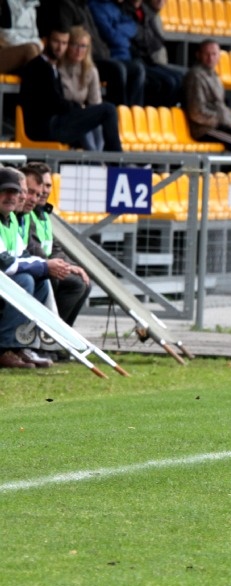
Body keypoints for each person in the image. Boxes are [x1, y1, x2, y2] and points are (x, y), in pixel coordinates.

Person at [0, 166, 68, 369]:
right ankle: (5, 348)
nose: (12, 197)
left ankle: (25, 345)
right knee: (26, 279)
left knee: (41, 280)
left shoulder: (10, 218)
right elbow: (7, 264)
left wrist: (48, 267)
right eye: (5, 192)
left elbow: (24, 255)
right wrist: (45, 265)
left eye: (15, 192)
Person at [18, 27, 123, 151]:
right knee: (108, 110)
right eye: (56, 42)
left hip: (56, 122)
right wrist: (78, 107)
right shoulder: (39, 66)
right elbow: (53, 102)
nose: (60, 47)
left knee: (101, 113)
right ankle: (116, 161)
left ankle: (101, 160)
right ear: (45, 41)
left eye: (64, 43)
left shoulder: (52, 67)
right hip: (47, 127)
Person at [19, 162, 91, 327]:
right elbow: (33, 248)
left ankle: (60, 339)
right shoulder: (25, 213)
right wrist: (55, 266)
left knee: (83, 282)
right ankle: (48, 335)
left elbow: (55, 248)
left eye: (48, 186)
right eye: (40, 187)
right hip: (33, 265)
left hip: (38, 263)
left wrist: (67, 265)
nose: (44, 191)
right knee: (60, 279)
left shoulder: (44, 214)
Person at [36, 0, 144, 106]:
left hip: (101, 54)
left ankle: (132, 115)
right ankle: (119, 113)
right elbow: (65, 37)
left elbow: (97, 35)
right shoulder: (65, 6)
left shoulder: (84, 5)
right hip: (86, 56)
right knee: (118, 69)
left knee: (137, 69)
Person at [122, 0, 183, 107]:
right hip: (136, 59)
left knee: (180, 78)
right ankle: (153, 114)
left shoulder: (146, 11)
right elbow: (135, 36)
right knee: (169, 82)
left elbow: (156, 38)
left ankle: (164, 116)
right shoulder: (123, 10)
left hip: (149, 58)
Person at [58, 26, 104, 151]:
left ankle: (98, 157)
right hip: (63, 119)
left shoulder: (91, 70)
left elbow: (96, 104)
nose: (79, 50)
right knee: (83, 122)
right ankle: (96, 160)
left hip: (81, 115)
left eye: (83, 46)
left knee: (97, 119)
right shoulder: (57, 68)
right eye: (75, 45)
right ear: (68, 46)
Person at [0, 0, 41, 74]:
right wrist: (31, 44)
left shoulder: (32, 5)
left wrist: (37, 45)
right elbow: (7, 38)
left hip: (21, 53)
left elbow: (35, 35)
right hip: (4, 51)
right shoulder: (7, 3)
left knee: (49, 55)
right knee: (30, 50)